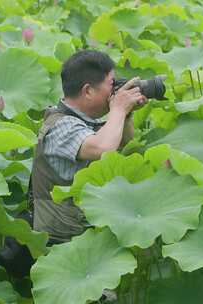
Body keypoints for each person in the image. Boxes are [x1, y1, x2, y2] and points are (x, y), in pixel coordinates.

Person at [30, 49, 148, 245]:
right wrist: (118, 108)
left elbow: (122, 141)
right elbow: (103, 148)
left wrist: (126, 113)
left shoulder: (81, 121)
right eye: (112, 84)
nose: (115, 91)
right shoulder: (61, 127)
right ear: (88, 91)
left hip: (83, 232)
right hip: (62, 242)